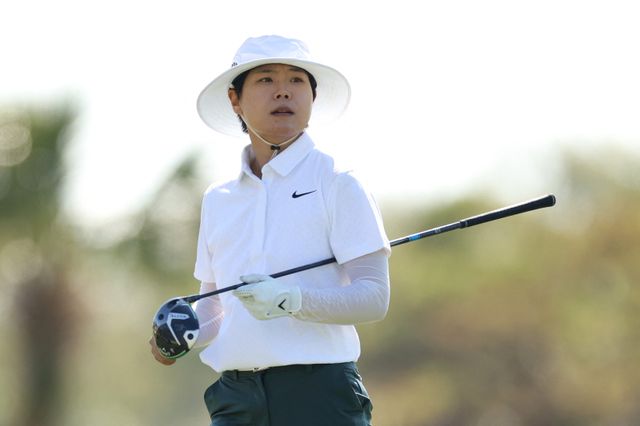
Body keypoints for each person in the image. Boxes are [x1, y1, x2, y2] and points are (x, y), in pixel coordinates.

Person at [150, 34, 391, 426]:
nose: (283, 92)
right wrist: (181, 337)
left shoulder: (337, 181)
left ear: (312, 96)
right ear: (235, 99)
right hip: (235, 399)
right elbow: (215, 308)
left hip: (320, 395)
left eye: (296, 80)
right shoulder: (218, 198)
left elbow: (374, 297)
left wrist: (291, 300)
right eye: (266, 80)